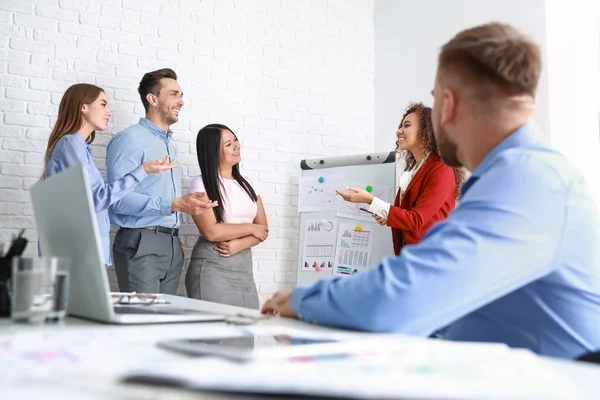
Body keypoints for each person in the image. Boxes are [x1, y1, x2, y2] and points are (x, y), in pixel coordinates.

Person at [262, 22, 600, 359]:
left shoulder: (527, 178)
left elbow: (404, 296)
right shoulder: (521, 173)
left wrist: (302, 299)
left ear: (447, 106)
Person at [106, 69, 217, 295]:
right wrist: (174, 204)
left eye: (181, 95)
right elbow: (117, 199)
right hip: (141, 242)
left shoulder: (169, 144)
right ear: (153, 99)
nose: (181, 101)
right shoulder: (129, 140)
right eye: (174, 94)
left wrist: (171, 233)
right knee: (142, 322)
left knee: (162, 323)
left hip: (171, 244)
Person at [41, 83, 177, 266]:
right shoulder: (71, 145)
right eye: (103, 104)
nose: (109, 112)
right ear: (83, 107)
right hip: (74, 254)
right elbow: (96, 199)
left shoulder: (80, 147)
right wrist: (142, 171)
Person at [337, 102, 464, 255]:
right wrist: (387, 216)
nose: (399, 131)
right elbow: (407, 217)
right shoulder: (413, 171)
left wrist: (370, 200)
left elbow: (416, 219)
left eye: (407, 125)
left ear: (425, 130)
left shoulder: (441, 168)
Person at [185, 124, 268, 309]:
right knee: (215, 334)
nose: (236, 146)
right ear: (213, 152)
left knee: (246, 333)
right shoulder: (201, 183)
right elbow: (212, 232)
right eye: (229, 144)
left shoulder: (248, 183)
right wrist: (250, 228)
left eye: (235, 140)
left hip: (244, 267)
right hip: (213, 266)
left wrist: (239, 244)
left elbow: (263, 230)